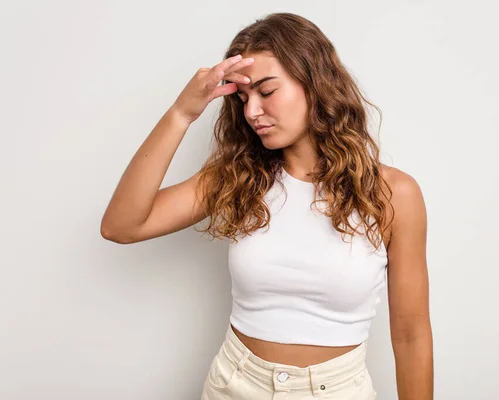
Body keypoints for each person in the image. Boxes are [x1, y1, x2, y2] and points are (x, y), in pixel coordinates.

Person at [101, 12, 433, 400]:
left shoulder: (393, 193)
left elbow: (411, 334)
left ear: (314, 81)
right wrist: (181, 114)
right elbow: (121, 226)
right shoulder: (238, 178)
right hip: (235, 384)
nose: (251, 111)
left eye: (267, 91)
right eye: (243, 98)